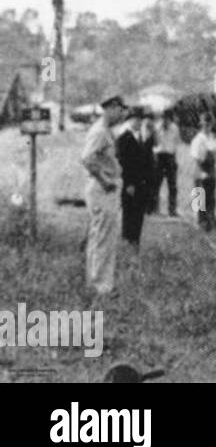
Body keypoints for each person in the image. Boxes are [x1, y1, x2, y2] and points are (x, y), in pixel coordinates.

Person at [81, 95, 128, 296]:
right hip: (102, 189)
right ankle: (101, 286)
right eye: (119, 109)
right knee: (103, 238)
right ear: (110, 108)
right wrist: (104, 180)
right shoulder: (100, 131)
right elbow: (86, 159)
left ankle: (95, 283)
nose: (122, 114)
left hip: (106, 188)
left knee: (101, 237)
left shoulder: (106, 131)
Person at [115, 106, 153, 251]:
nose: (138, 122)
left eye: (139, 120)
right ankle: (128, 240)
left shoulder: (141, 137)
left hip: (141, 182)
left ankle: (135, 241)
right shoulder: (124, 138)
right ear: (129, 120)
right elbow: (123, 163)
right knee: (129, 213)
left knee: (138, 213)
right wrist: (128, 183)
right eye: (135, 119)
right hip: (130, 182)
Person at [189, 113, 216, 230]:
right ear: (201, 125)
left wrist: (214, 168)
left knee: (211, 196)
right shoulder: (198, 139)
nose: (207, 127)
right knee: (199, 194)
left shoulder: (213, 138)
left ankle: (210, 218)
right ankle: (199, 220)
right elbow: (196, 158)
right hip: (200, 168)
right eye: (205, 125)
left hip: (211, 169)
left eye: (209, 124)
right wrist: (201, 172)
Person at [152, 110, 181, 217]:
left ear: (170, 119)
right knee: (156, 184)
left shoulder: (175, 128)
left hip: (170, 157)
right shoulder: (156, 127)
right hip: (159, 157)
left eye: (168, 119)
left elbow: (176, 143)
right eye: (164, 118)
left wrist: (174, 159)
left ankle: (172, 210)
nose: (165, 121)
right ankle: (155, 208)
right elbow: (154, 144)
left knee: (172, 186)